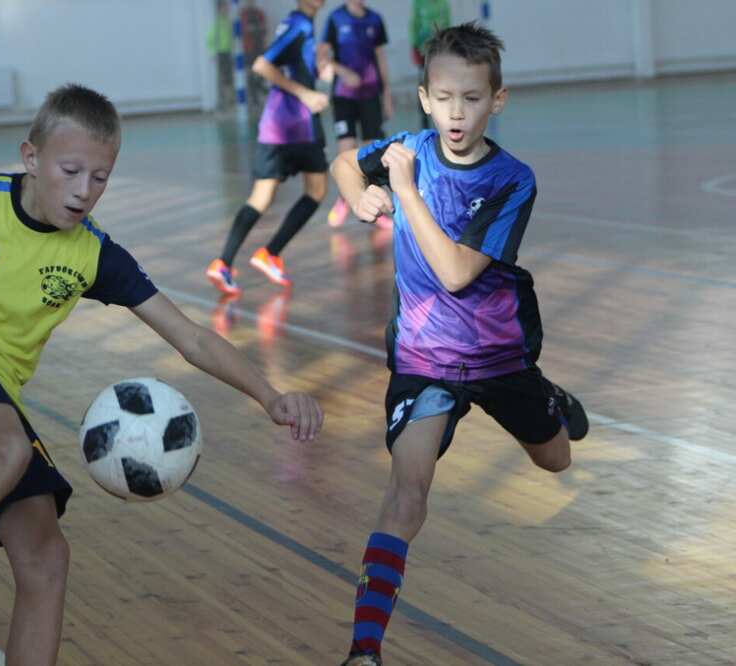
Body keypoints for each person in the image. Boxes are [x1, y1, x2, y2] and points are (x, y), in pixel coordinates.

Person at [0, 83, 324, 666]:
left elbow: (190, 337)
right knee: (5, 447)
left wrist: (269, 395)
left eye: (100, 177)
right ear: (32, 158)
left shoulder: (93, 255)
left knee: (45, 554)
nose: (84, 190)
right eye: (70, 170)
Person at [329, 24, 588, 666]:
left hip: (499, 357)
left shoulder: (510, 180)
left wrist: (404, 192)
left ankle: (548, 396)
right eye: (444, 97)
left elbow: (453, 272)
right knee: (406, 493)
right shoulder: (407, 146)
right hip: (425, 360)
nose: (456, 112)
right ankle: (365, 650)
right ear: (423, 97)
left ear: (496, 101)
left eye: (471, 99)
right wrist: (358, 193)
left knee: (555, 462)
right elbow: (342, 160)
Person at [205, 0, 329, 296]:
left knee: (262, 197)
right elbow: (262, 64)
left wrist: (319, 68)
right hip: (297, 125)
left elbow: (291, 66)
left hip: (276, 126)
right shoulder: (299, 23)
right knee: (316, 191)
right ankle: (269, 253)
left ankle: (224, 263)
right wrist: (307, 94)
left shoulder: (299, 24)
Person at [319, 0, 393, 228]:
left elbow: (380, 58)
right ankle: (344, 199)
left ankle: (376, 211)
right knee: (347, 152)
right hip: (344, 96)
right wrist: (343, 72)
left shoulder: (375, 19)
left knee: (371, 155)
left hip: (370, 95)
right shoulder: (335, 18)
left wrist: (386, 94)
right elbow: (322, 56)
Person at [409, 0, 451, 130]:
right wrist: (414, 46)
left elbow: (448, 26)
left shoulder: (444, 4)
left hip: (440, 51)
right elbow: (414, 25)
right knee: (424, 83)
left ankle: (441, 117)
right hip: (423, 51)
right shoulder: (419, 3)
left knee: (440, 84)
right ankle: (424, 120)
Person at [207, 0, 235, 110]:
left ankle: (229, 99)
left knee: (229, 76)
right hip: (221, 53)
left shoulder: (228, 21)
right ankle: (223, 101)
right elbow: (210, 39)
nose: (226, 9)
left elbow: (231, 37)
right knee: (223, 77)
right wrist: (213, 52)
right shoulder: (217, 22)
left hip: (228, 52)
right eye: (224, 7)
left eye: (226, 7)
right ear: (219, 9)